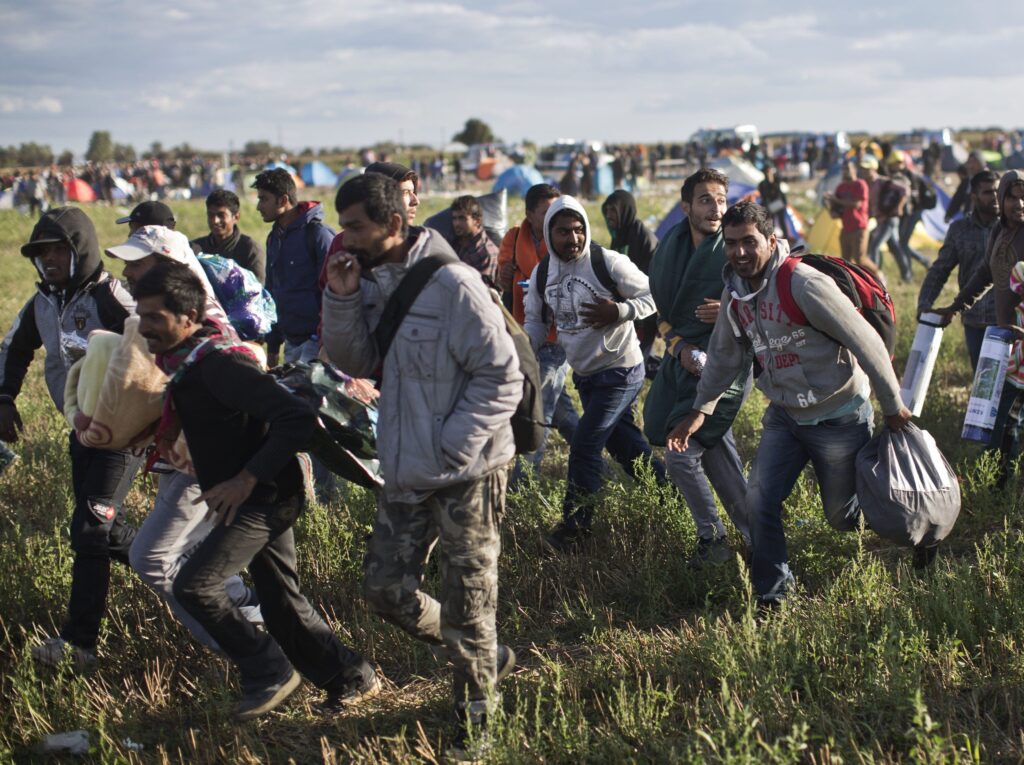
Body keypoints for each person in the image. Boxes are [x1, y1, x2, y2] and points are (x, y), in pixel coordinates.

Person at [320, 173, 521, 753]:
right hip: (407, 467)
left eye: (355, 226)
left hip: (470, 470)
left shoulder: (453, 284)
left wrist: (453, 447)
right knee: (384, 588)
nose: (345, 236)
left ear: (393, 225)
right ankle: (482, 654)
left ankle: (474, 724)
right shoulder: (372, 280)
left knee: (471, 600)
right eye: (343, 224)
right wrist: (341, 296)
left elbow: (501, 375)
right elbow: (358, 359)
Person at [133, 261, 379, 720]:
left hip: (264, 498)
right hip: (252, 496)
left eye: (153, 317)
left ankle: (268, 670)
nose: (143, 327)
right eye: (141, 315)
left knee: (195, 586)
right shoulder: (187, 365)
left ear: (187, 317)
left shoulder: (220, 365)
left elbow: (296, 418)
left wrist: (245, 478)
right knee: (281, 602)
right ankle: (350, 675)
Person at [670, 202, 912, 606]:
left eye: (749, 242)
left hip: (838, 416)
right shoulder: (735, 296)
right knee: (759, 499)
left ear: (770, 240)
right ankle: (774, 594)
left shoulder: (803, 284)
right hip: (785, 417)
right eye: (731, 244)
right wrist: (700, 411)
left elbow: (865, 341)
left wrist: (892, 406)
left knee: (842, 516)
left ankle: (915, 522)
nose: (740, 253)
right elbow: (725, 357)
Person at [105, 225, 264, 652]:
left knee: (152, 558)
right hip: (181, 460)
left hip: (203, 464)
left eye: (138, 263)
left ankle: (246, 650)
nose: (128, 271)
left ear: (169, 266)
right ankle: (257, 621)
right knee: (195, 556)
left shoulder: (198, 326)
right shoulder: (162, 319)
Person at [0, 208, 141, 667]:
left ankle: (80, 645)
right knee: (104, 529)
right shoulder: (41, 302)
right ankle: (193, 571)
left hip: (120, 434)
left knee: (89, 528)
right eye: (42, 253)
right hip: (80, 432)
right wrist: (4, 398)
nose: (50, 261)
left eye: (59, 250)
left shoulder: (111, 296)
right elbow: (15, 348)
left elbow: (154, 341)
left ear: (80, 249)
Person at [523, 195, 665, 552]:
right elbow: (536, 325)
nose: (572, 238)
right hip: (586, 376)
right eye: (562, 231)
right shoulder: (543, 274)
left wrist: (619, 311)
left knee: (585, 445)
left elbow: (654, 295)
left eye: (577, 230)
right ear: (548, 233)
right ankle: (675, 501)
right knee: (627, 450)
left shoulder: (607, 262)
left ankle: (574, 529)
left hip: (621, 371)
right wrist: (521, 348)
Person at [642, 170, 752, 567]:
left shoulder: (736, 248)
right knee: (718, 454)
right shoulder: (669, 249)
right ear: (685, 206)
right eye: (706, 200)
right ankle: (757, 535)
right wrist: (680, 346)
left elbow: (765, 302)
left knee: (680, 453)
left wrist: (729, 309)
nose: (716, 208)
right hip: (682, 363)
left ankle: (713, 539)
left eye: (721, 200)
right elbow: (663, 318)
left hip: (725, 367)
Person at [497, 183, 581, 485]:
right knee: (561, 414)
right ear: (530, 214)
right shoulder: (514, 237)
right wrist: (505, 275)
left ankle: (523, 483)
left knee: (538, 406)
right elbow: (502, 276)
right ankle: (595, 460)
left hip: (558, 337)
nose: (553, 217)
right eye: (546, 212)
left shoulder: (562, 238)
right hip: (527, 333)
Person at [252, 168, 335, 366]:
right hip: (292, 344)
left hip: (318, 344)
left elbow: (334, 292)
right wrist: (273, 345)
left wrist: (326, 343)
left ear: (282, 200)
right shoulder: (274, 239)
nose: (258, 206)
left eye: (264, 199)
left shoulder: (317, 235)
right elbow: (272, 293)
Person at [919, 170, 1001, 370]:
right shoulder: (960, 230)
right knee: (982, 383)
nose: (995, 197)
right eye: (988, 192)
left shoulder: (1013, 229)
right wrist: (924, 304)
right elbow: (940, 270)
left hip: (1007, 321)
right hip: (975, 320)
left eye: (998, 191)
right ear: (974, 196)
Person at [601, 189, 660, 359]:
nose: (609, 215)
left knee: (639, 355)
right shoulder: (619, 236)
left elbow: (650, 278)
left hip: (645, 306)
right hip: (626, 307)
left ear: (625, 210)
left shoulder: (643, 238)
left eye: (613, 210)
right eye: (607, 211)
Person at [190, 189, 267, 283]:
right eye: (211, 215)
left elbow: (257, 289)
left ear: (236, 217)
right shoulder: (195, 248)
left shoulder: (250, 249)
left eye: (221, 215)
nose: (215, 221)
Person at [825, 160, 883, 280]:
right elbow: (837, 208)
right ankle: (855, 282)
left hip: (859, 227)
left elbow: (856, 204)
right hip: (846, 228)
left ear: (854, 170)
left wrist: (835, 200)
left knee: (860, 259)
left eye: (848, 168)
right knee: (846, 261)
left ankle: (878, 275)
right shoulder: (841, 187)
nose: (846, 171)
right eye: (844, 169)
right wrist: (831, 206)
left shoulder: (860, 184)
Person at [448, 195, 499, 287]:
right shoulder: (455, 243)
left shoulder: (485, 253)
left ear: (477, 221)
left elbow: (482, 291)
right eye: (454, 218)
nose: (457, 223)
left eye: (462, 218)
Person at [364, 161, 420, 226]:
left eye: (413, 192)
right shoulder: (355, 235)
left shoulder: (425, 235)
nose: (416, 201)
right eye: (405, 192)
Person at [757, 165, 788, 237]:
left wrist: (772, 181)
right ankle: (772, 237)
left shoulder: (776, 180)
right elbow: (764, 195)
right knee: (771, 223)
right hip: (770, 206)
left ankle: (786, 237)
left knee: (782, 221)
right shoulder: (762, 184)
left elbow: (778, 191)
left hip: (778, 204)